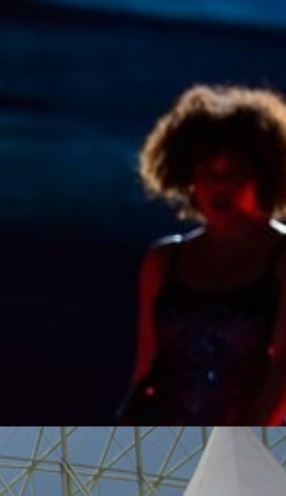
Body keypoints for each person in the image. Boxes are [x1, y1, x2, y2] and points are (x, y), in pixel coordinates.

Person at [120, 84, 286, 425]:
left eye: (234, 171)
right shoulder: (163, 261)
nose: (219, 184)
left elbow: (283, 372)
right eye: (207, 171)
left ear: (265, 175)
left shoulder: (282, 257)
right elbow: (145, 373)